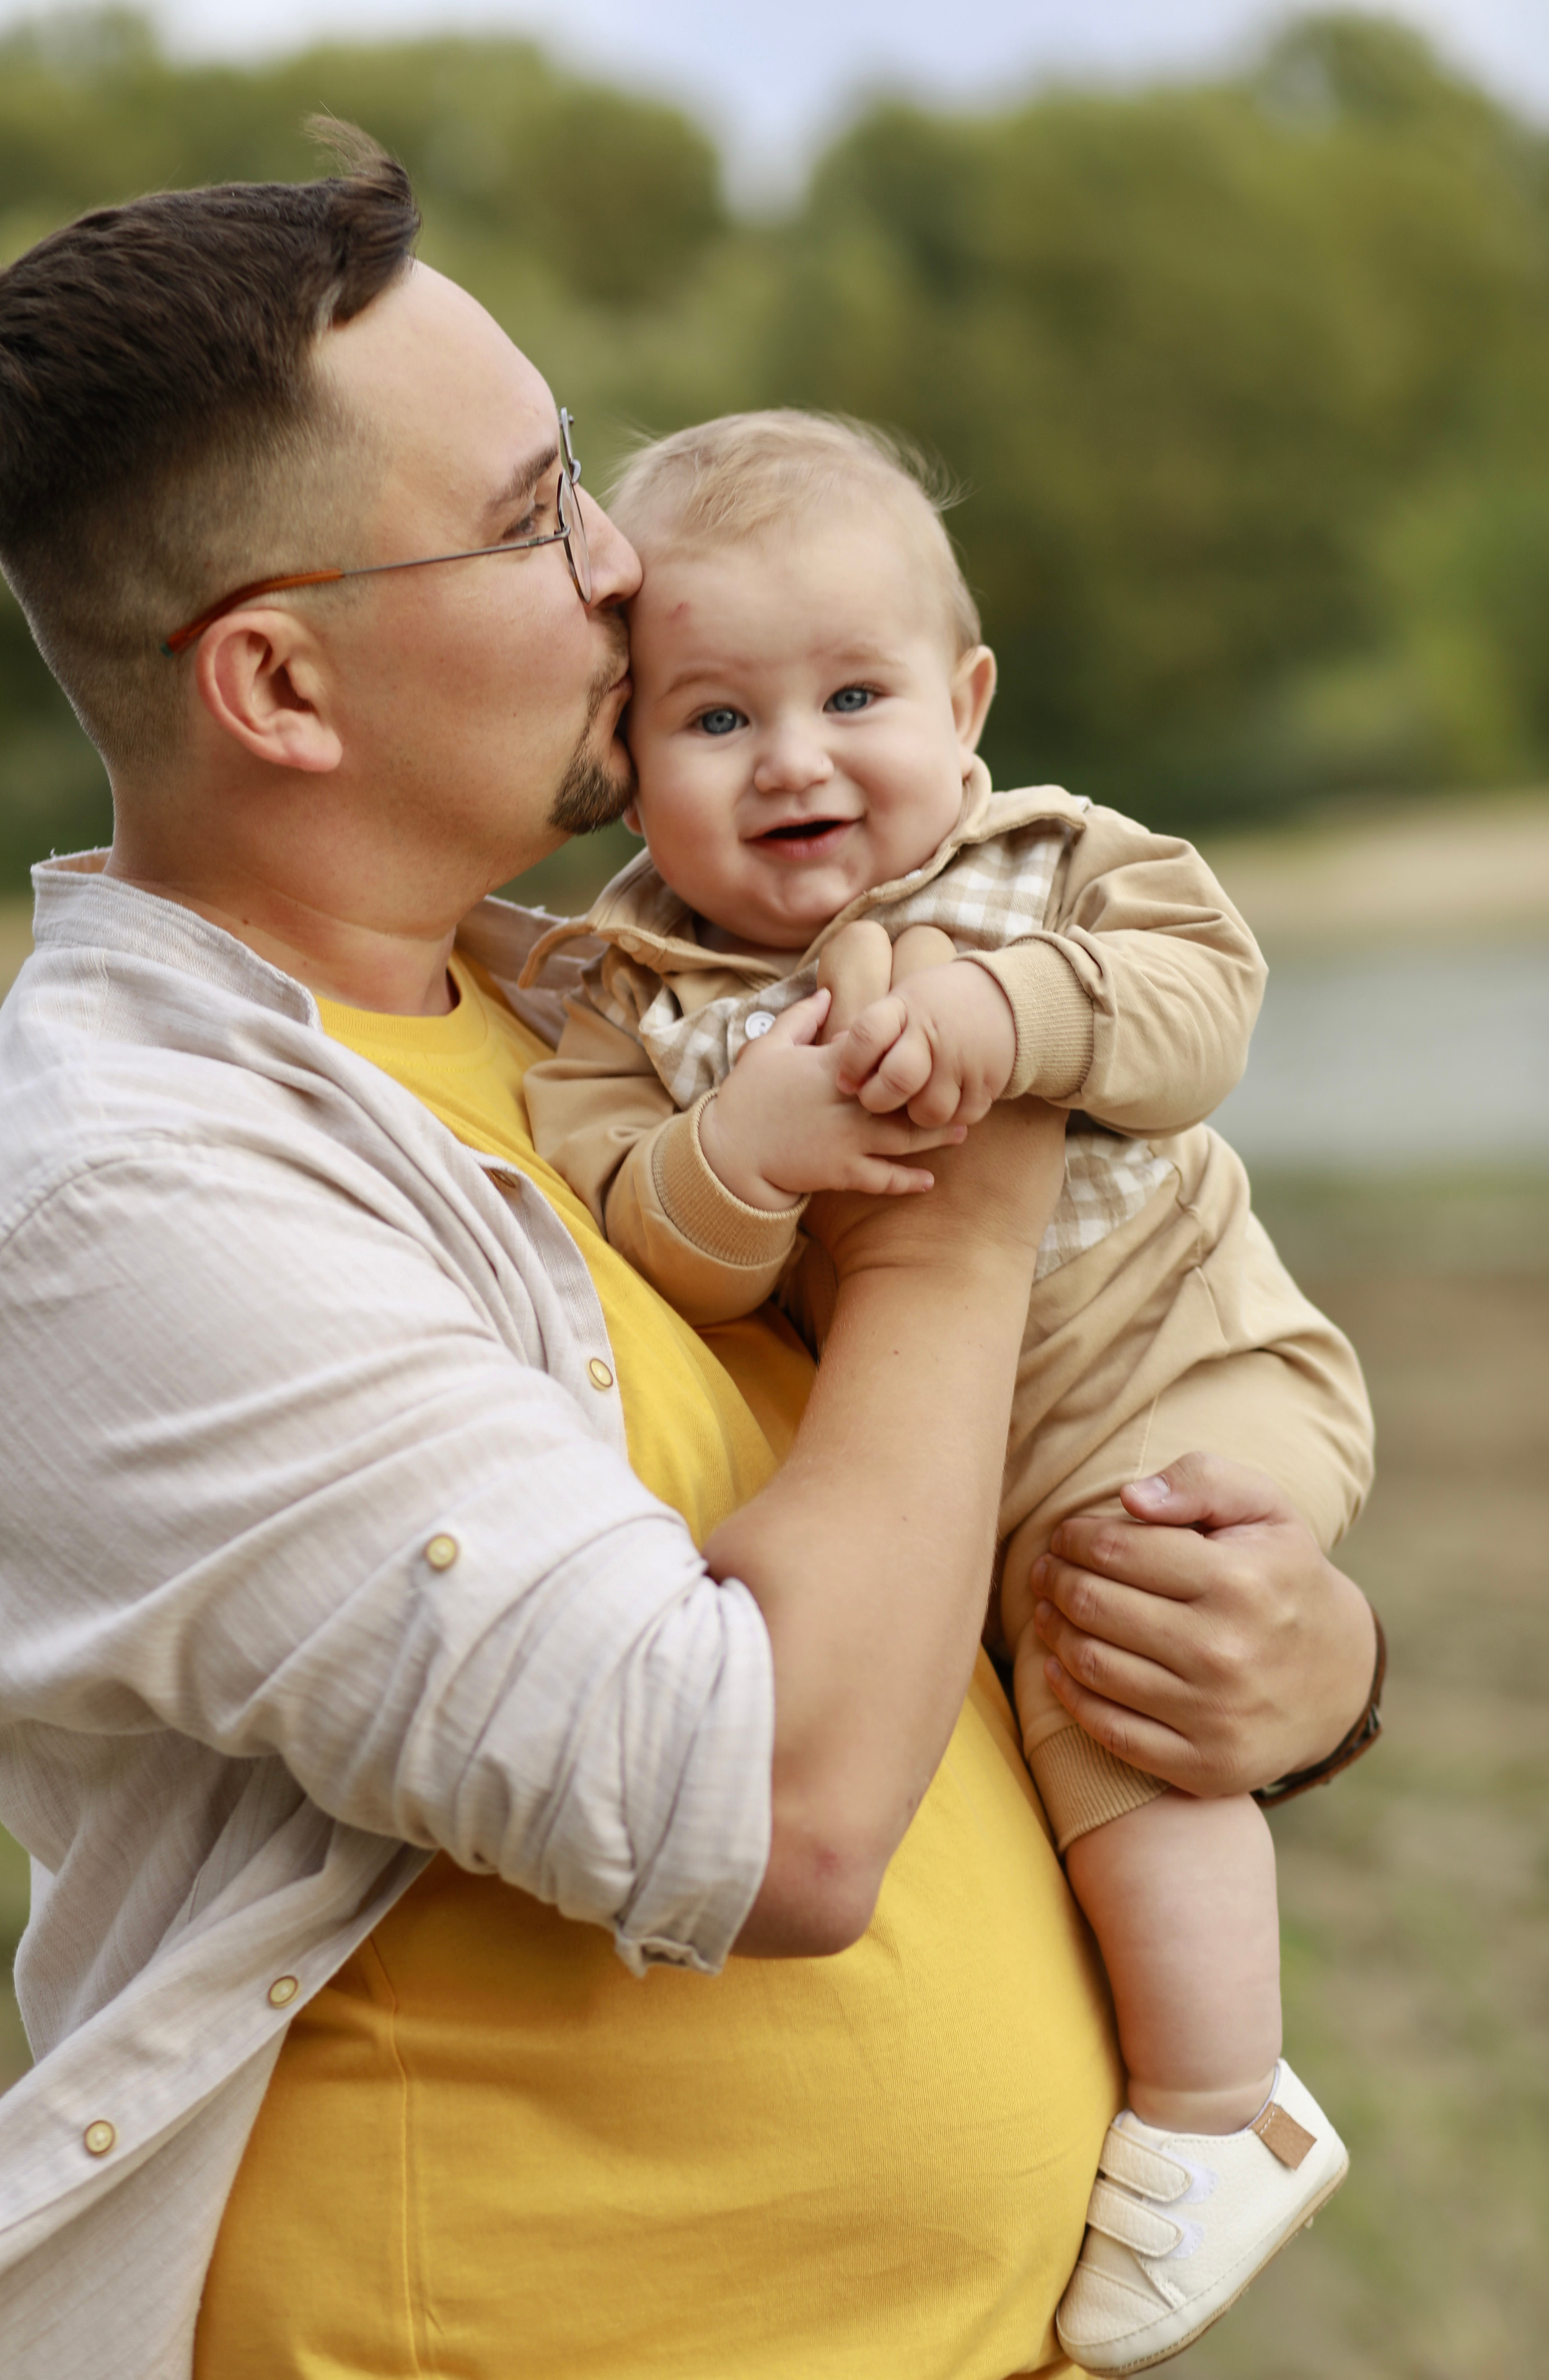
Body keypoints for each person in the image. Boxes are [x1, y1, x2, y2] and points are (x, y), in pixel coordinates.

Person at [0, 133, 1382, 2380]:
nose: (623, 565)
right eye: (535, 512)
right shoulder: (139, 1205)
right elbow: (778, 1814)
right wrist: (966, 1193)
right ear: (280, 688)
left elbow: (925, 1521)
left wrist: (1276, 1663)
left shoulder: (593, 1004)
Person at [519, 410, 1381, 2371]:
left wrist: (1012, 1006)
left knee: (1115, 1656)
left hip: (1183, 1362)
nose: (794, 758)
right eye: (715, 719)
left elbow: (1203, 1002)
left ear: (965, 701)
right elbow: (651, 1238)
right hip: (950, 1463)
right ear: (623, 760)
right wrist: (746, 1151)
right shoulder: (622, 1001)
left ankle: (1221, 2108)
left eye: (854, 696)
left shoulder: (1050, 863)